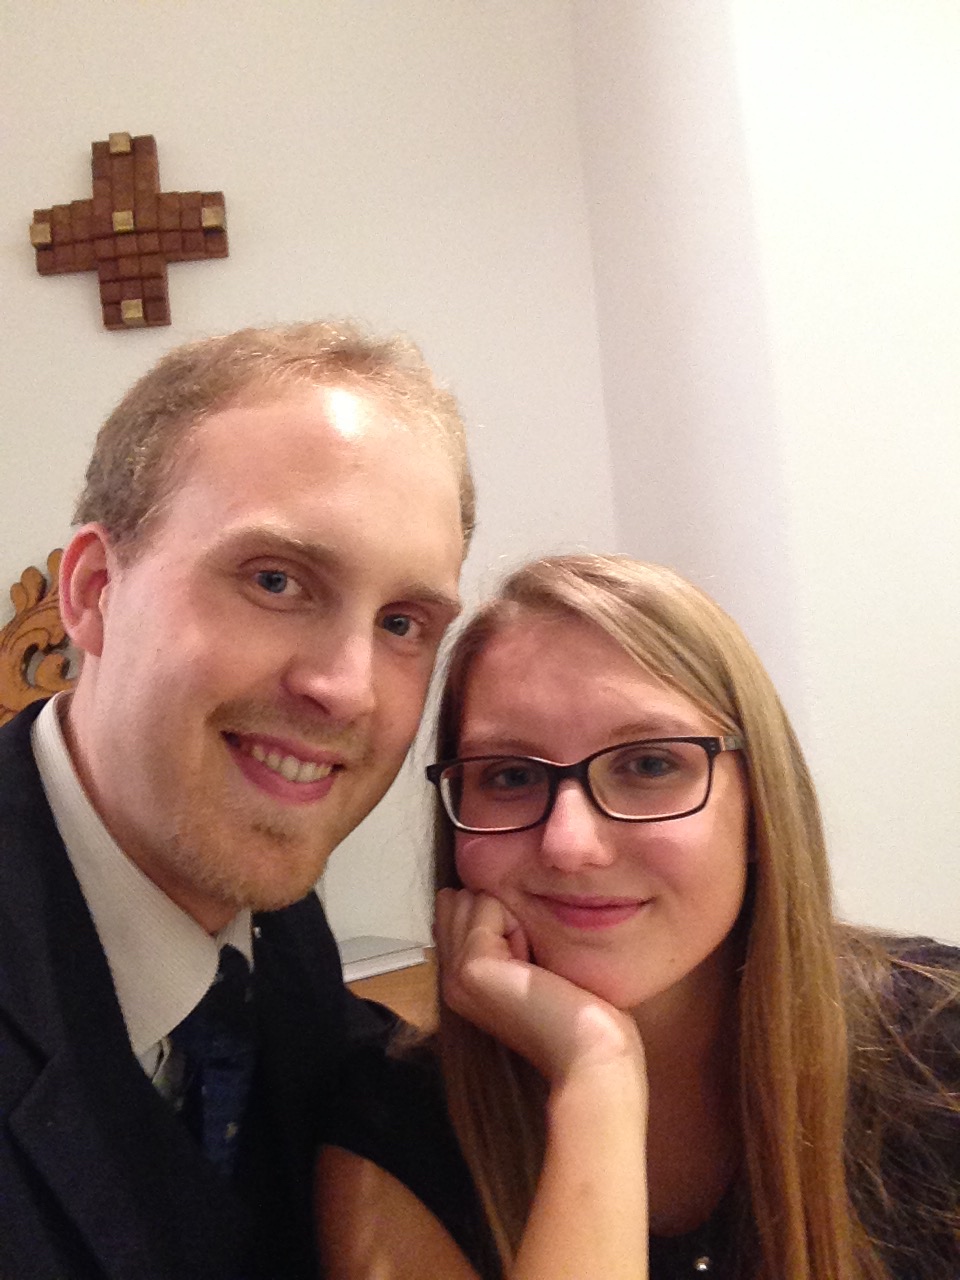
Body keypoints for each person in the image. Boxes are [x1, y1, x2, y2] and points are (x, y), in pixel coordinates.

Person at [317, 554, 960, 1280]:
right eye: (512, 776)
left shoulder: (939, 1045)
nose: (570, 844)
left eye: (649, 765)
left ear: (759, 806)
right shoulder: (393, 1134)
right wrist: (596, 1072)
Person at [0, 320, 473, 1280]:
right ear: (93, 591)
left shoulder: (263, 917)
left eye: (401, 623)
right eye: (276, 580)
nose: (347, 689)